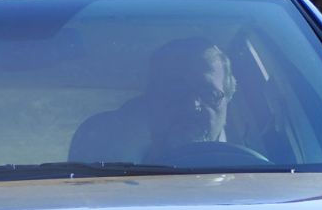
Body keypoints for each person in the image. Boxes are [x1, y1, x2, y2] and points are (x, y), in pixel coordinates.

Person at [69, 37, 240, 163]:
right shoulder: (100, 167)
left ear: (229, 97)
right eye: (176, 91)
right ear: (150, 100)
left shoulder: (257, 168)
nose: (192, 105)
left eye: (209, 94)